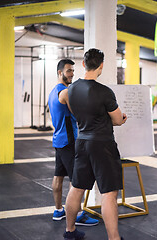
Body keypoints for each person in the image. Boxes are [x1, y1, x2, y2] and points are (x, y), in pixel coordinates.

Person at [63, 48, 127, 240]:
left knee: (77, 187)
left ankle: (70, 231)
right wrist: (122, 118)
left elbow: (72, 109)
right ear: (101, 66)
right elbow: (117, 120)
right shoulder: (105, 92)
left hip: (81, 141)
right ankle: (114, 238)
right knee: (109, 193)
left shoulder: (71, 89)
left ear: (83, 64)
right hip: (102, 145)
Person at [48, 59, 99, 226]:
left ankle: (58, 210)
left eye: (72, 70)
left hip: (58, 139)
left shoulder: (53, 91)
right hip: (69, 141)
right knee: (76, 180)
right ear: (60, 72)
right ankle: (76, 215)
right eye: (69, 71)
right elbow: (77, 114)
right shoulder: (66, 92)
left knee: (58, 176)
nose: (72, 74)